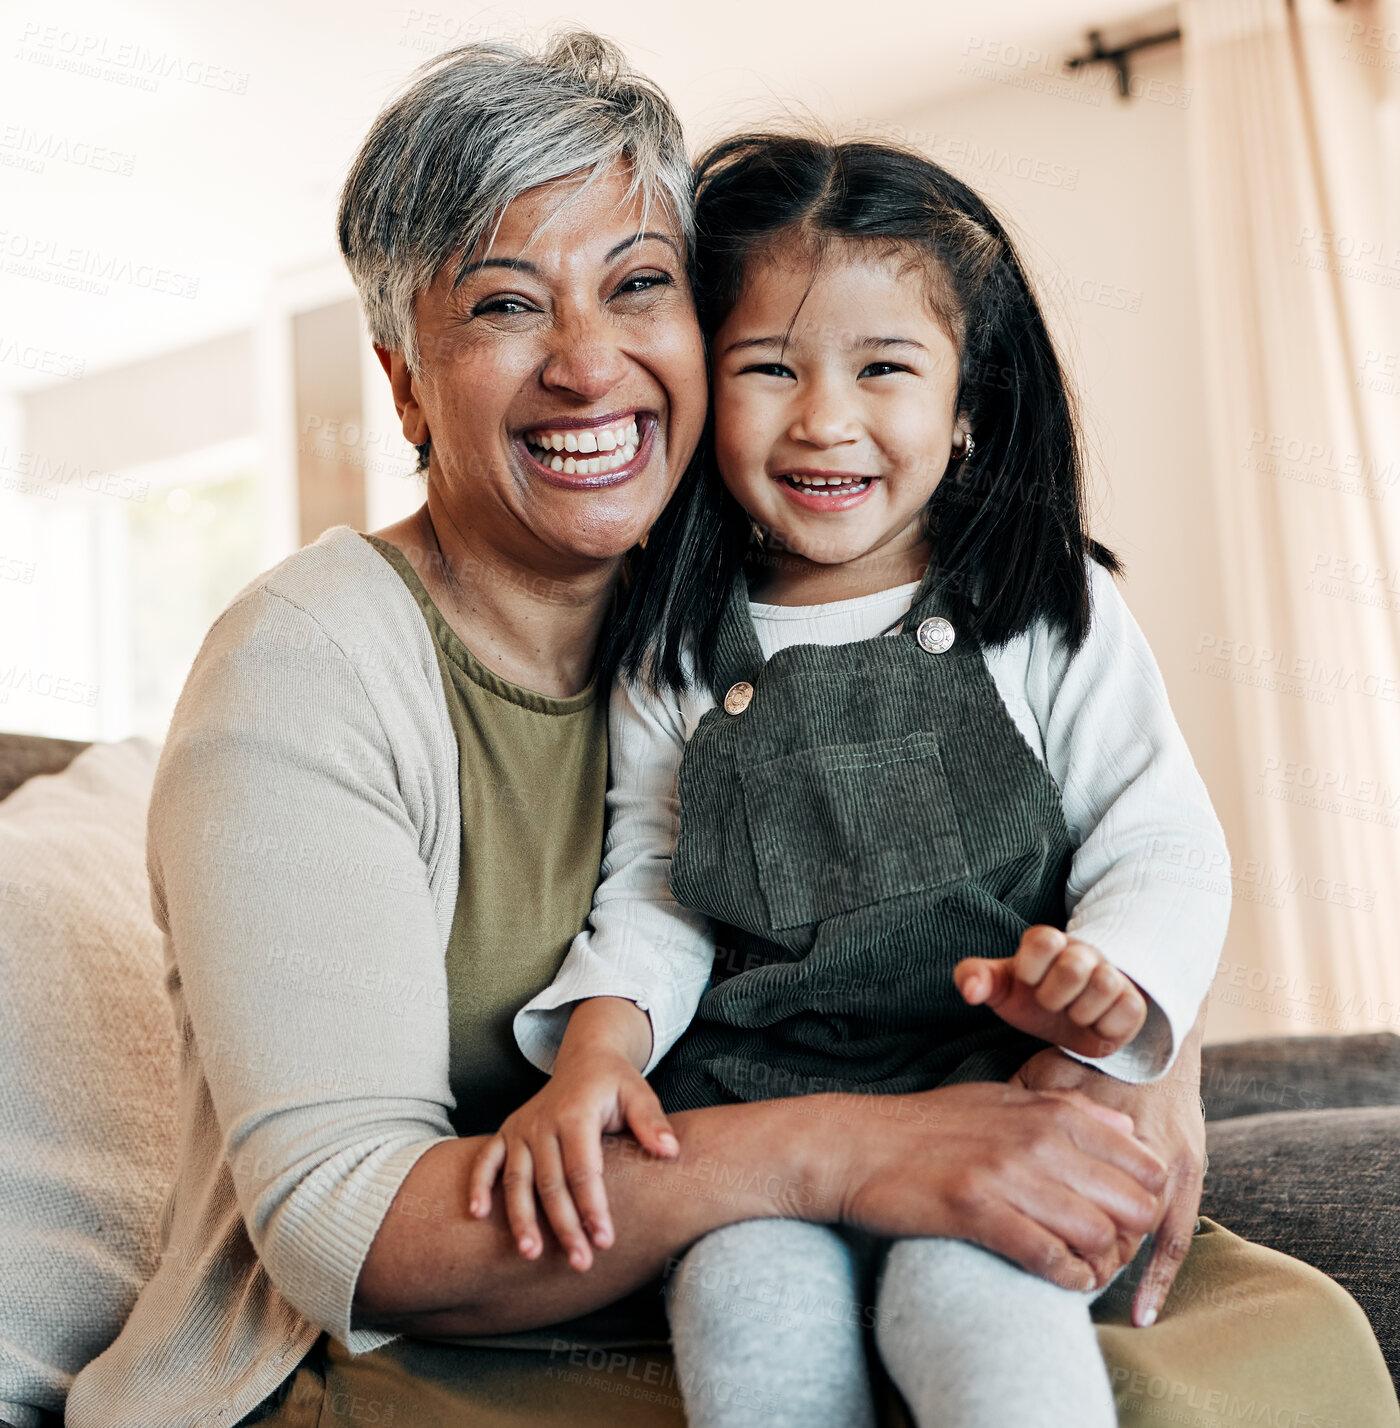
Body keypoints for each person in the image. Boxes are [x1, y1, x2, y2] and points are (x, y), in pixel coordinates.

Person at [64, 33, 1397, 1428]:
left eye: (637, 287)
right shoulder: (316, 662)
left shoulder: (749, 588)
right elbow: (347, 1230)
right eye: (507, 306)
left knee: (1268, 1347)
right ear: (404, 382)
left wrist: (1137, 1046)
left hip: (799, 1221)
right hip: (430, 1338)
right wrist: (843, 1149)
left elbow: (1126, 829)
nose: (589, 365)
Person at [474, 135, 1381, 1426]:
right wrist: (599, 1051)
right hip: (757, 1131)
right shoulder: (674, 647)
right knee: (747, 1311)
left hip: (1005, 1100)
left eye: (883, 368)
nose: (824, 418)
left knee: (967, 1302)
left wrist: (1110, 982)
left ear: (966, 407)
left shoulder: (1044, 602)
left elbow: (1161, 836)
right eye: (768, 369)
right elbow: (657, 891)